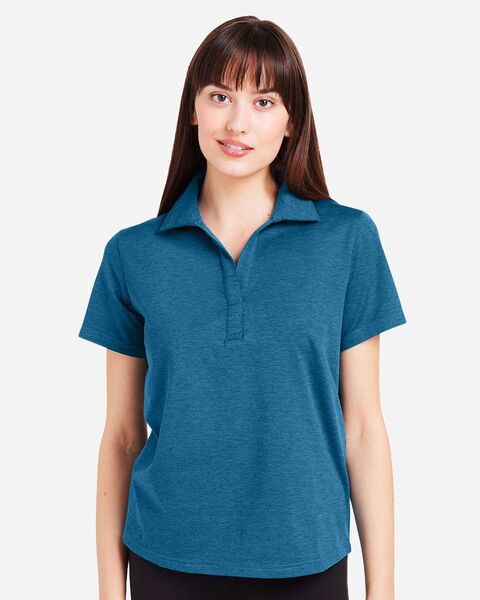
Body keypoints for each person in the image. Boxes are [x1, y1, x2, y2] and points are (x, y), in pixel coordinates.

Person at [78, 15, 407, 600]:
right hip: (166, 559)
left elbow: (362, 428)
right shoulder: (133, 254)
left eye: (263, 101)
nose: (237, 122)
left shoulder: (348, 241)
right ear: (193, 108)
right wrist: (109, 591)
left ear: (291, 121)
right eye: (220, 96)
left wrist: (381, 592)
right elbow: (122, 437)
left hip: (306, 562)